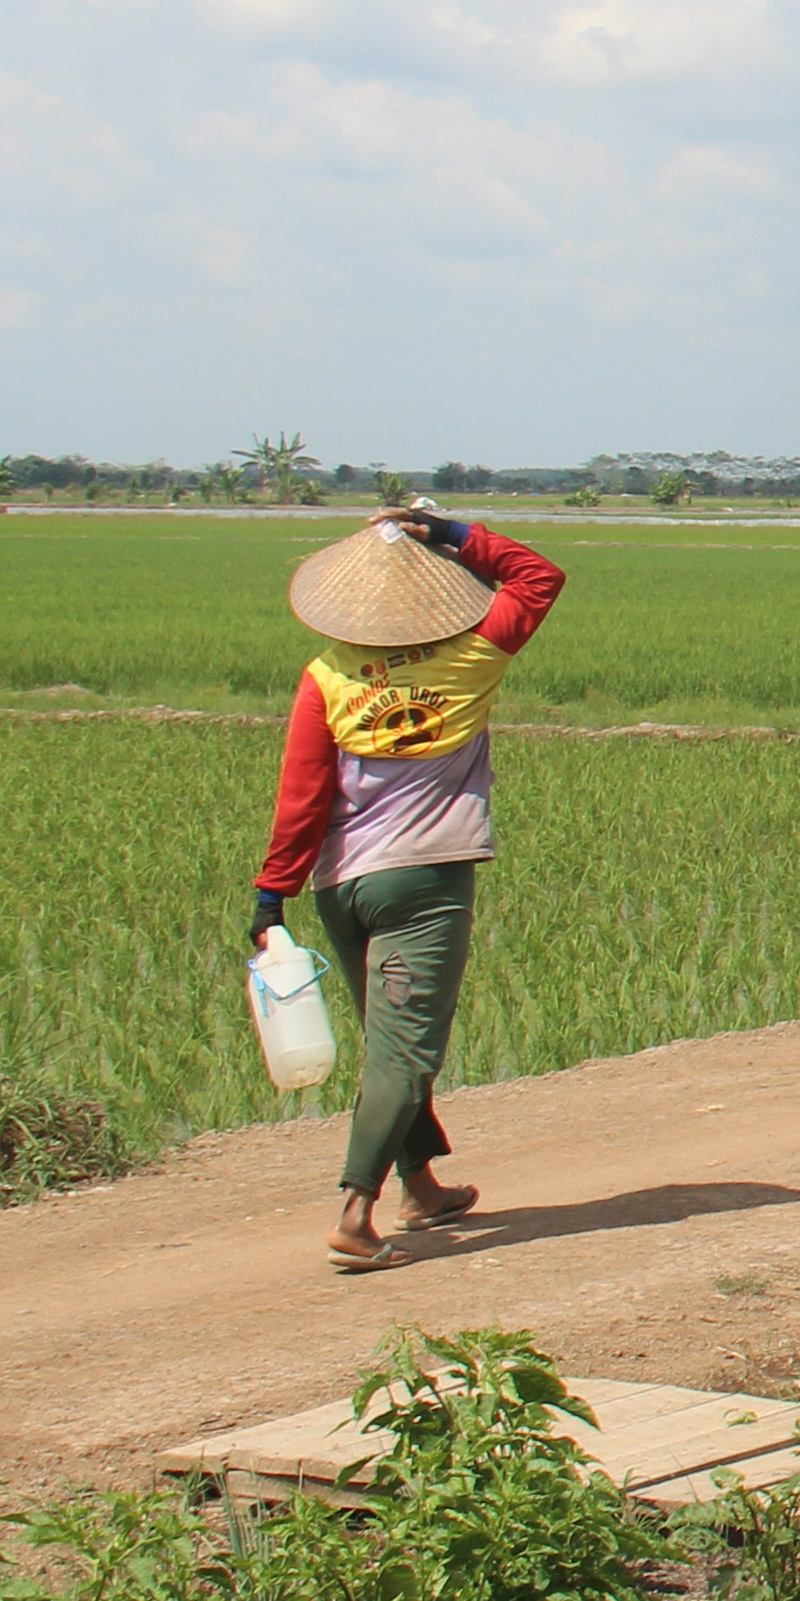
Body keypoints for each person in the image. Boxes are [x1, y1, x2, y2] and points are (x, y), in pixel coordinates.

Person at [250, 504, 566, 1269]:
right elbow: (538, 577)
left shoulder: (326, 676)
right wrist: (455, 533)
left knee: (390, 1038)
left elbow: (303, 793)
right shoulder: (473, 655)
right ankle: (356, 1214)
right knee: (403, 1050)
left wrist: (271, 895)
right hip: (423, 884)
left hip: (340, 889)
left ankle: (420, 1186)